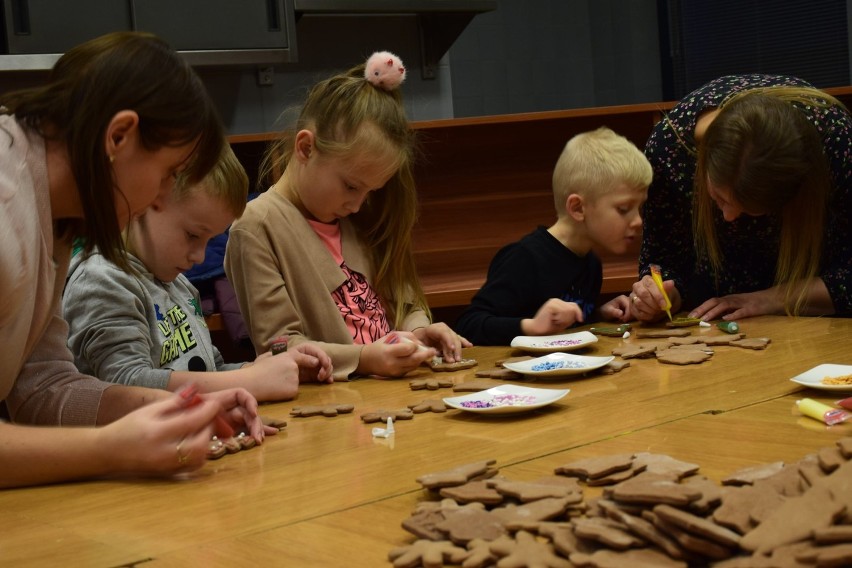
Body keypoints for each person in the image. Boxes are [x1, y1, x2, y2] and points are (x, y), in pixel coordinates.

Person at [0, 31, 274, 489]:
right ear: (119, 136)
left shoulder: (55, 211)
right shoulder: (7, 212)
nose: (162, 197)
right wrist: (112, 447)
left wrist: (164, 408)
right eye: (168, 173)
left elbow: (42, 388)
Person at [224, 51, 469, 380]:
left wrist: (418, 331)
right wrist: (366, 358)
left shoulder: (356, 213)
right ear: (306, 148)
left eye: (371, 191)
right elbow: (281, 348)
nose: (358, 204)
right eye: (351, 186)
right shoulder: (256, 226)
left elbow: (404, 300)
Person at [62, 145, 333, 403]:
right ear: (141, 203)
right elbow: (125, 385)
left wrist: (264, 367)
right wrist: (249, 380)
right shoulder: (101, 279)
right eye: (192, 235)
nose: (200, 257)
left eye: (209, 240)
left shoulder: (180, 285)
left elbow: (210, 373)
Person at [632, 74, 852, 323]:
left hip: (813, 318)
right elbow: (662, 261)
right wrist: (662, 296)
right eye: (720, 199)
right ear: (703, 160)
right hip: (715, 318)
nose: (728, 217)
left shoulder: (836, 141)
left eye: (752, 210)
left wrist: (770, 299)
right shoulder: (669, 150)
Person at [454, 127, 651, 346]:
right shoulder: (524, 259)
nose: (638, 221)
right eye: (624, 209)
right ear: (577, 208)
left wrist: (597, 314)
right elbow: (468, 325)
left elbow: (565, 327)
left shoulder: (591, 264)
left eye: (639, 208)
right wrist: (531, 326)